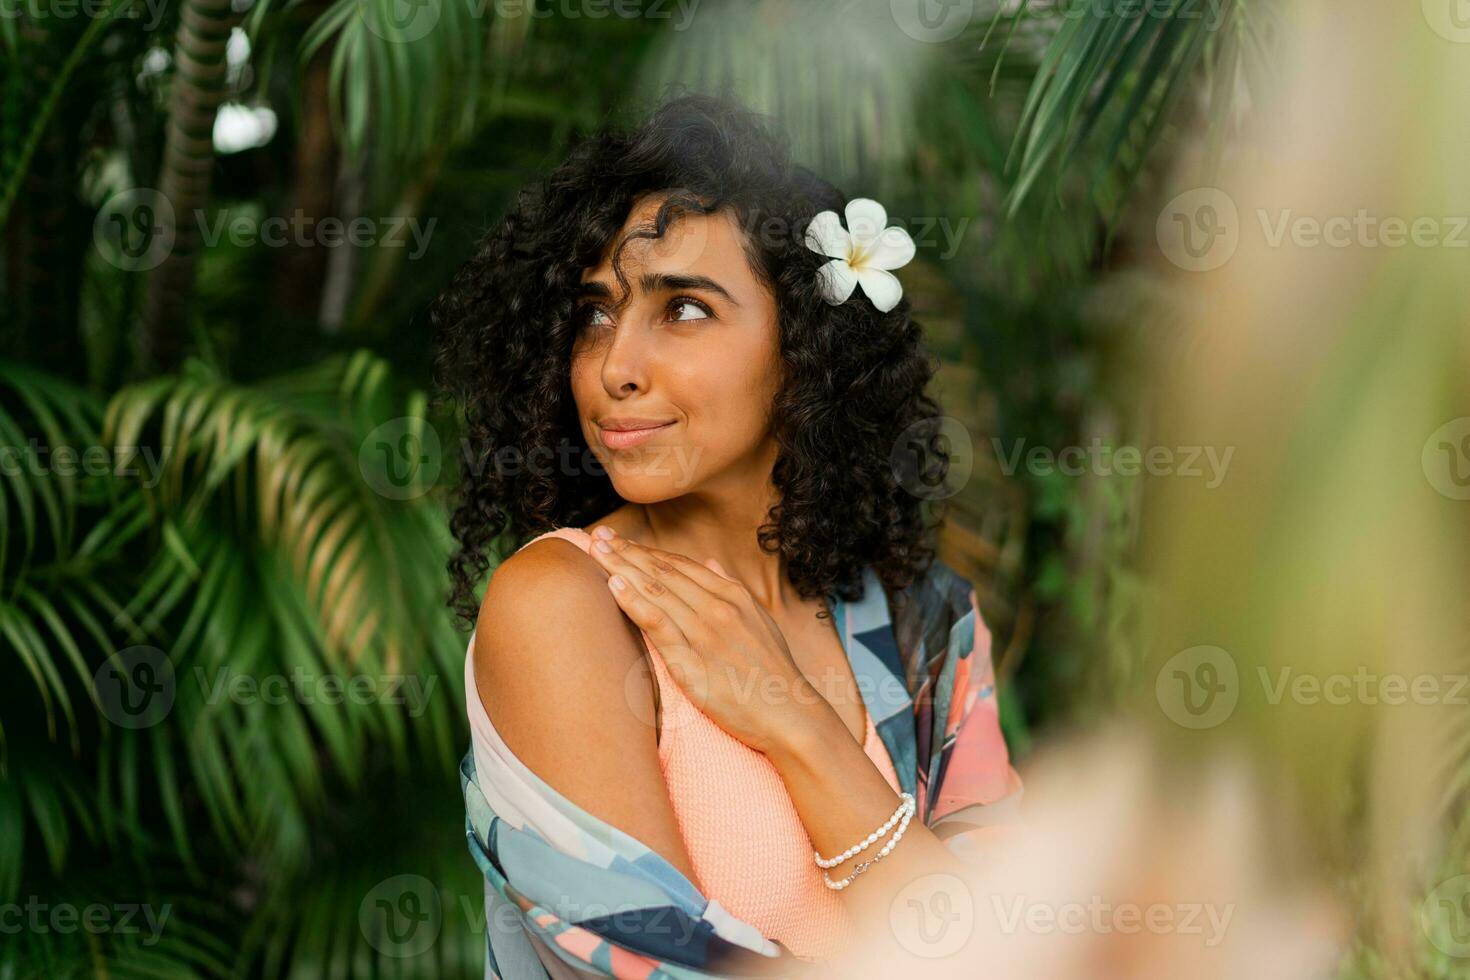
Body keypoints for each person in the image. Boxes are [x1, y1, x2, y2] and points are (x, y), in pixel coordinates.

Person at [434, 94, 1021, 974]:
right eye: (596, 313)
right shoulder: (567, 607)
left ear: (808, 342)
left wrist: (794, 722)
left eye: (685, 310)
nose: (614, 369)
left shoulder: (927, 623)